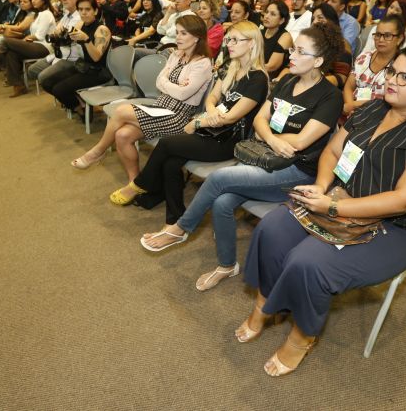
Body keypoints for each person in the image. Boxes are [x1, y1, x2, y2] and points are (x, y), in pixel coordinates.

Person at [239, 44, 406, 376]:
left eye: (405, 77)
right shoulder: (372, 109)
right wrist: (323, 185)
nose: (392, 81)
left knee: (308, 262)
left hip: (394, 227)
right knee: (272, 229)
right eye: (391, 72)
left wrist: (333, 205)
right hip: (338, 198)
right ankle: (266, 303)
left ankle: (302, 337)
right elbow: (331, 152)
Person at [137, 22, 343, 292]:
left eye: (299, 51)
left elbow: (303, 141)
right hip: (266, 157)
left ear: (318, 60)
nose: (291, 55)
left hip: (298, 173)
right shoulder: (287, 81)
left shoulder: (330, 96)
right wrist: (270, 138)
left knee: (220, 179)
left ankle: (180, 229)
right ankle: (226, 265)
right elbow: (260, 119)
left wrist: (268, 135)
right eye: (292, 48)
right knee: (222, 202)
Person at [113, 22, 268, 248]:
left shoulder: (257, 78)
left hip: (230, 140)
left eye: (235, 40)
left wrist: (197, 121)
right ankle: (173, 222)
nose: (229, 44)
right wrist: (211, 114)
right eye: (228, 39)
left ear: (252, 43)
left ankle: (139, 184)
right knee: (171, 163)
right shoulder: (229, 67)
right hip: (212, 129)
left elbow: (233, 117)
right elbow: (212, 99)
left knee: (166, 144)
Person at [71, 15, 213, 182]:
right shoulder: (176, 55)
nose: (178, 37)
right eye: (177, 32)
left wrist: (169, 84)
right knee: (122, 135)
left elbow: (182, 94)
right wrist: (175, 86)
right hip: (160, 107)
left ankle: (97, 152)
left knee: (121, 111)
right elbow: (159, 81)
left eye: (183, 33)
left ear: (197, 37)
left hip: (178, 116)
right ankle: (135, 183)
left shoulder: (203, 64)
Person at [39, 0, 112, 111]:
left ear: (96, 11)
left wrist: (86, 39)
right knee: (47, 82)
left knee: (59, 89)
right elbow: (67, 41)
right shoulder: (80, 25)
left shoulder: (102, 30)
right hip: (82, 66)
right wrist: (60, 34)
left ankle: (81, 109)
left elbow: (96, 57)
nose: (83, 13)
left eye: (87, 9)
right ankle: (80, 105)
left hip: (97, 71)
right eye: (80, 9)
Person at [343, 15, 405, 118]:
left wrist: (352, 105)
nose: (380, 39)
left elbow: (393, 102)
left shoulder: (401, 65)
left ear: (399, 38)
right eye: (378, 35)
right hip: (353, 114)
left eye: (387, 35)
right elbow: (349, 87)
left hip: (380, 117)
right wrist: (350, 108)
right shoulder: (364, 58)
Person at [261, 1, 294, 78]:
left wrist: (248, 67)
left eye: (272, 14)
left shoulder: (285, 37)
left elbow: (271, 67)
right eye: (267, 12)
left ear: (281, 20)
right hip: (257, 73)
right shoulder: (260, 32)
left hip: (275, 79)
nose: (266, 16)